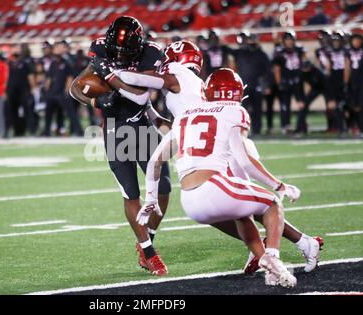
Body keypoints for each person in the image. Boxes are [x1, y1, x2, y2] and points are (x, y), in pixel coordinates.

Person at [113, 44, 323, 275]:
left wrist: (111, 73)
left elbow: (142, 81)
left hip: (219, 151)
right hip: (211, 146)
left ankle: (276, 251)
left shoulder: (177, 74)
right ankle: (291, 245)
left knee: (249, 208)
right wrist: (151, 112)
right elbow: (177, 130)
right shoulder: (192, 86)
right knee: (233, 211)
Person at [139, 68, 298, 287]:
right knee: (272, 203)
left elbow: (155, 162)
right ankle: (274, 261)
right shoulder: (235, 111)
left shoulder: (185, 114)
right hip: (214, 187)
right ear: (237, 93)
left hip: (190, 202)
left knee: (243, 214)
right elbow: (244, 160)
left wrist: (150, 199)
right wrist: (278, 185)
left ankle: (264, 261)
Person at [70, 16, 171, 276]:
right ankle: (148, 251)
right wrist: (96, 102)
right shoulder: (101, 48)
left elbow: (141, 96)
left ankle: (147, 236)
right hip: (116, 130)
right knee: (131, 193)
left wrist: (112, 77)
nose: (121, 56)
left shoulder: (151, 53)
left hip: (144, 127)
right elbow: (75, 88)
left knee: (164, 189)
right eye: (117, 54)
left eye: (126, 54)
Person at [232, 32, 272, 135]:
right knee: (243, 109)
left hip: (257, 85)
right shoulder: (241, 52)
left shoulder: (261, 54)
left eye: (253, 40)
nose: (252, 42)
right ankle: (243, 129)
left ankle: (257, 130)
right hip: (244, 85)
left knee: (257, 109)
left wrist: (266, 85)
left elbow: (268, 71)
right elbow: (228, 50)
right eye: (250, 40)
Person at [43, 41, 82, 137]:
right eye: (56, 48)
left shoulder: (67, 62)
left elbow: (70, 77)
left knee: (71, 113)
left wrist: (67, 91)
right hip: (52, 93)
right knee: (48, 113)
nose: (58, 49)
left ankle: (78, 131)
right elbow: (49, 78)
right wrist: (46, 91)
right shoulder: (53, 63)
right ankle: (46, 132)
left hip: (62, 93)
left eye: (59, 47)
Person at [273, 31, 306, 134]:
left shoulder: (299, 50)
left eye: (291, 39)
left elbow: (305, 63)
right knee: (285, 105)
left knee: (302, 104)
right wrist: (279, 83)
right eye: (287, 39)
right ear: (283, 41)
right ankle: (285, 126)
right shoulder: (279, 51)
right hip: (285, 81)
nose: (289, 42)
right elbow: (277, 69)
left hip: (298, 81)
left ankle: (302, 125)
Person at [6, 45, 35, 137]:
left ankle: (31, 130)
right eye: (14, 49)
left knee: (27, 111)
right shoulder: (8, 64)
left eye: (18, 49)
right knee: (12, 112)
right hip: (11, 92)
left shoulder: (25, 63)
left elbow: (30, 77)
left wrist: (33, 88)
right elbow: (5, 78)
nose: (16, 51)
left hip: (24, 91)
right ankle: (17, 131)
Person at [325, 31, 351, 135]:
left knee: (349, 105)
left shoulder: (346, 51)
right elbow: (328, 69)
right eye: (334, 41)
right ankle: (340, 127)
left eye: (337, 40)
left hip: (345, 80)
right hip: (334, 81)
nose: (336, 43)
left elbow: (347, 68)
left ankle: (351, 126)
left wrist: (346, 82)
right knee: (336, 106)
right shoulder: (329, 52)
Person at [346, 33, 362, 135]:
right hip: (353, 82)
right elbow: (347, 68)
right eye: (354, 40)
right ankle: (357, 127)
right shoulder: (348, 52)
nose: (356, 42)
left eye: (358, 40)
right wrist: (346, 82)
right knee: (354, 106)